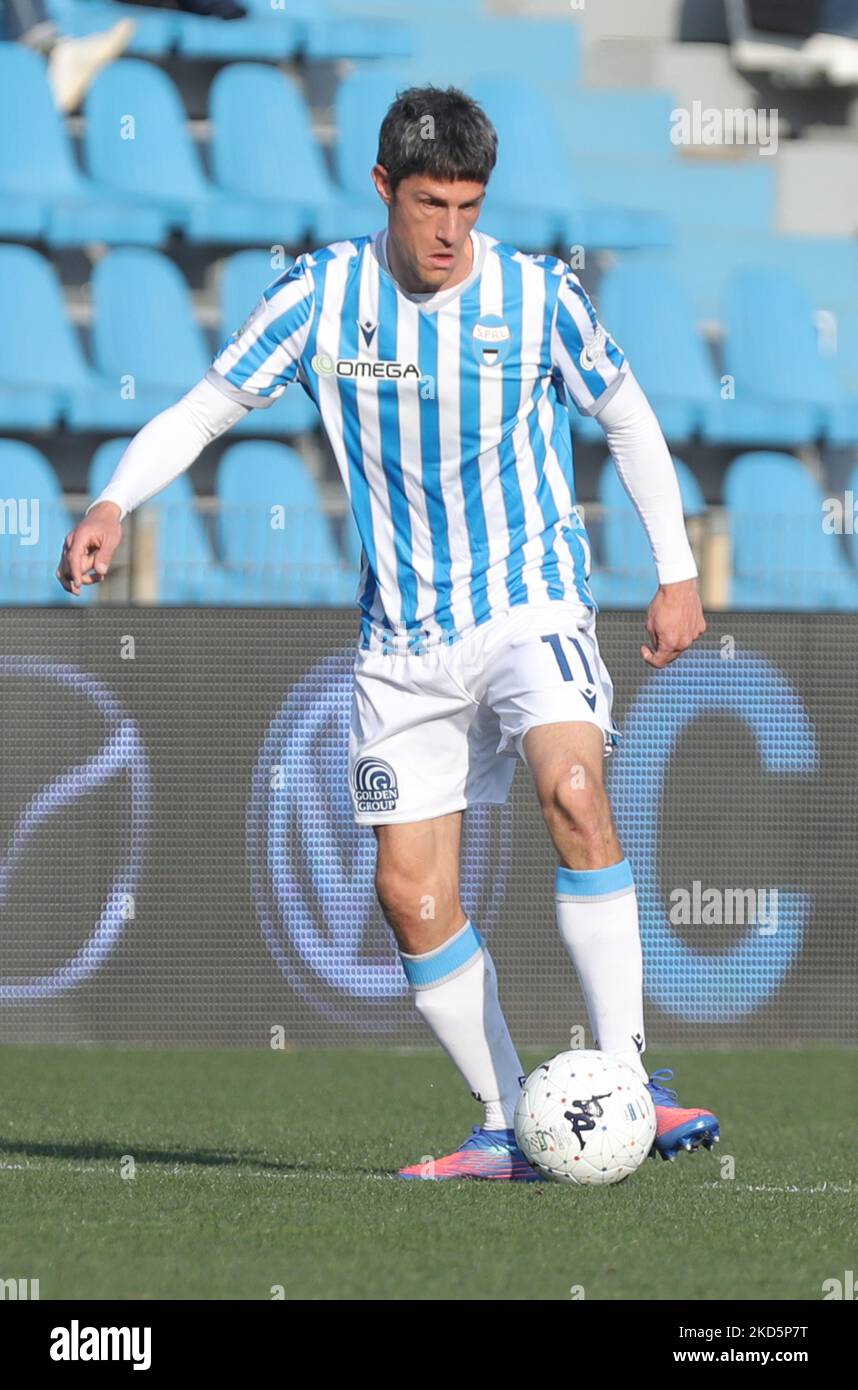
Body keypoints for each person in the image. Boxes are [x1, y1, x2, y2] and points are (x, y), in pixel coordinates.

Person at [57, 85, 720, 1180]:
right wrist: (114, 500)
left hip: (529, 602)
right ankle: (510, 1123)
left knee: (575, 787)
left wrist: (677, 570)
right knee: (410, 896)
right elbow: (208, 407)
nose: (451, 230)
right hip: (402, 645)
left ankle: (631, 1073)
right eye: (429, 203)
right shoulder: (322, 295)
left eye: (467, 204)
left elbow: (626, 414)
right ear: (384, 189)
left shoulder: (538, 295)